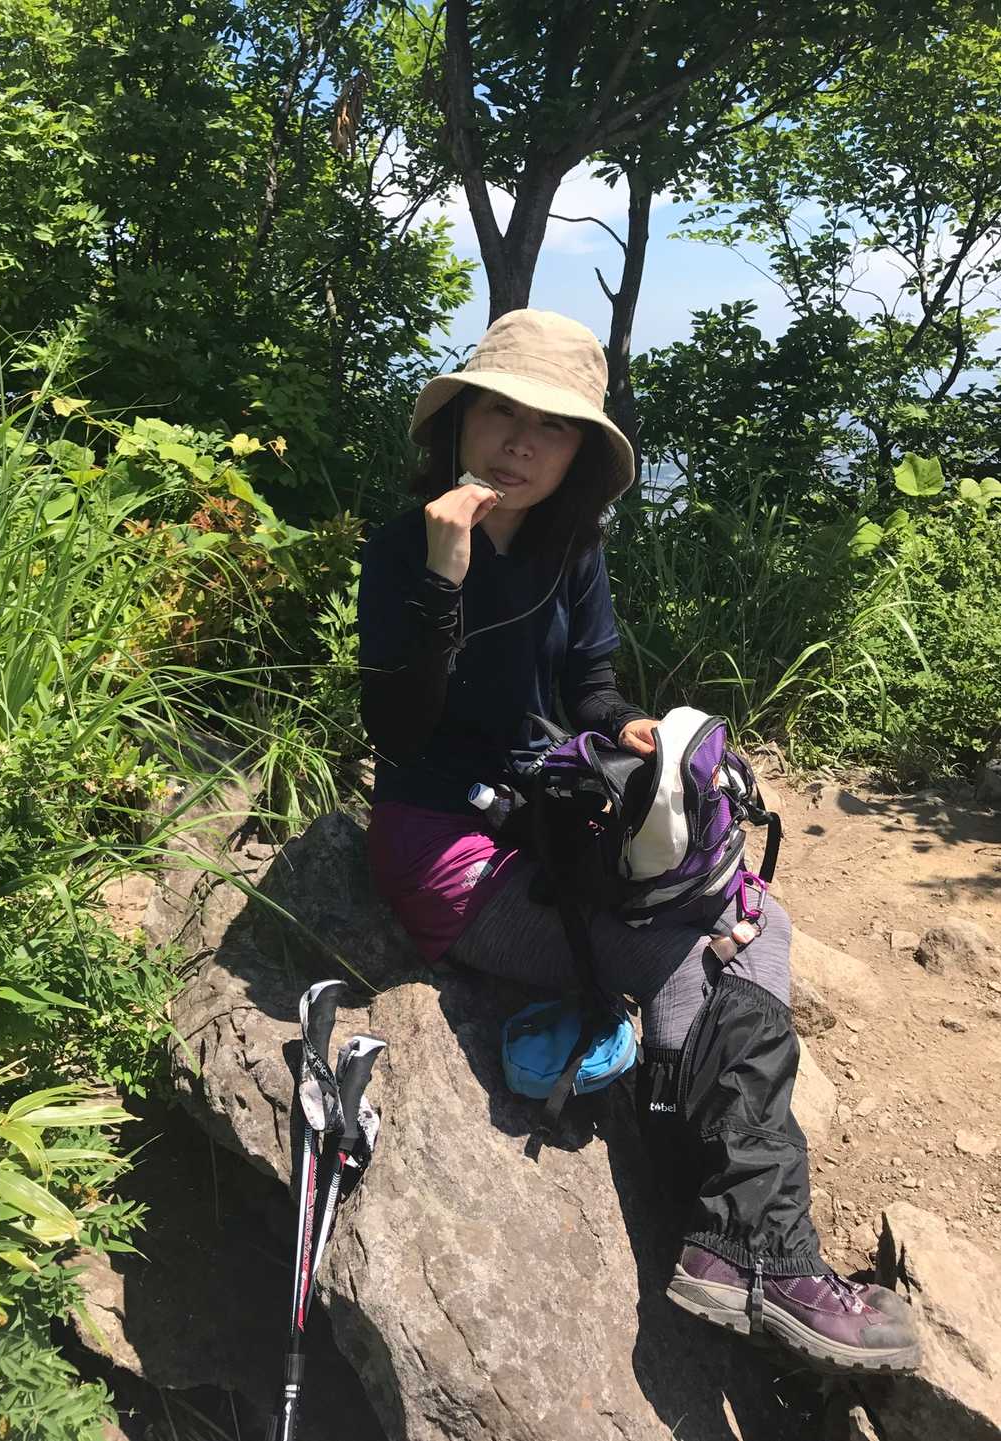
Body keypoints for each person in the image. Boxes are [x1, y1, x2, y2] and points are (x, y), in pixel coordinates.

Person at [357, 308, 918, 1375]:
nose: (519, 443)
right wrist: (442, 575)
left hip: (554, 819)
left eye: (552, 426)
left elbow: (591, 685)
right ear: (461, 419)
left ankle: (727, 1230)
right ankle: (765, 1251)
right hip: (451, 850)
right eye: (500, 411)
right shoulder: (405, 548)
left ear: (579, 453)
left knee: (756, 917)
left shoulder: (572, 548)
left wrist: (630, 730)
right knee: (686, 951)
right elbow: (397, 732)